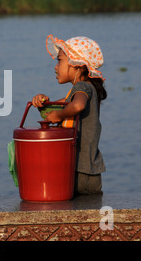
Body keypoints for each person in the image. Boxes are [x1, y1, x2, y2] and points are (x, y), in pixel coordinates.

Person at [31, 34, 107, 195]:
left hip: (81, 171)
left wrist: (58, 116)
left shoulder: (83, 87)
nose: (56, 67)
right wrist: (42, 103)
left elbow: (77, 106)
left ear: (77, 65)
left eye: (59, 61)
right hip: (83, 170)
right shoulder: (77, 91)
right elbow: (54, 110)